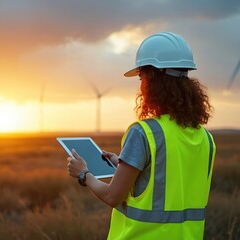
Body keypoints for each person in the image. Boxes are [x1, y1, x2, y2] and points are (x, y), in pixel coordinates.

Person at [67, 32, 216, 240]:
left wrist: (84, 174)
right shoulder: (206, 139)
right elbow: (170, 181)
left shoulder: (144, 133)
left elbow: (112, 196)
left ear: (152, 78)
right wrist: (124, 162)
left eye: (141, 77)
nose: (141, 84)